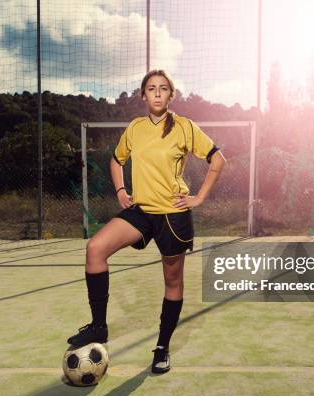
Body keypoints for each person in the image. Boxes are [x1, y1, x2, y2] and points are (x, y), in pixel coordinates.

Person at [67, 69, 226, 374]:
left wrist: (199, 197)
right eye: (151, 88)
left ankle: (163, 347)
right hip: (141, 211)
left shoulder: (185, 127)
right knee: (95, 248)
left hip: (173, 214)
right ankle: (99, 327)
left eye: (163, 88)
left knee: (173, 281)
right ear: (143, 95)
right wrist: (120, 189)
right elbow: (117, 160)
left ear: (170, 95)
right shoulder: (136, 128)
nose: (156, 93)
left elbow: (218, 159)